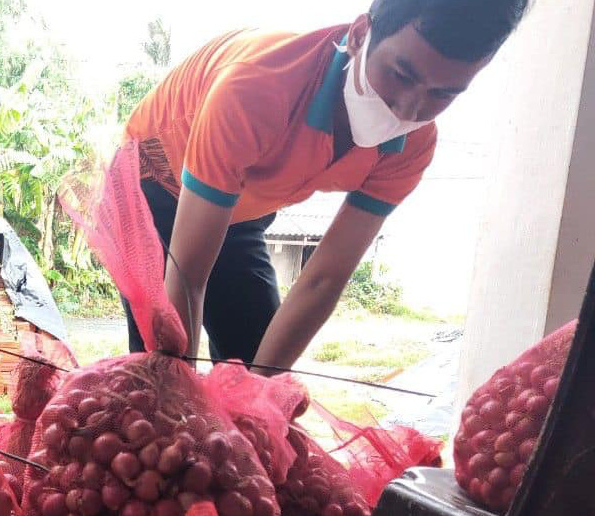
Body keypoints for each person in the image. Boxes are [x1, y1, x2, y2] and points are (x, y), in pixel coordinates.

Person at [123, 0, 528, 368]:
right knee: (159, 371)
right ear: (358, 36)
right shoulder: (257, 88)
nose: (409, 108)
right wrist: (179, 406)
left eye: (444, 93)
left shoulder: (414, 145)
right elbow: (188, 274)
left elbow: (324, 278)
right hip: (153, 184)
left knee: (254, 364)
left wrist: (261, 405)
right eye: (400, 74)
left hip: (244, 204)